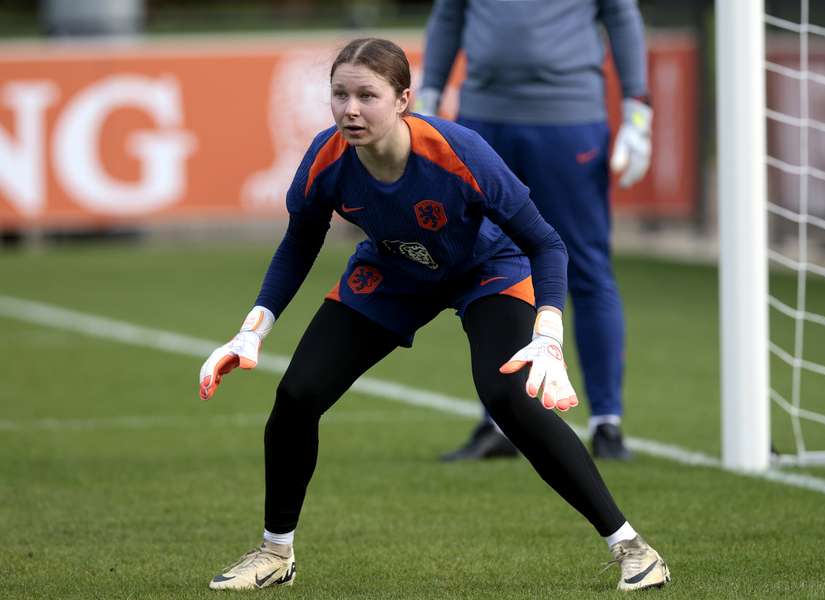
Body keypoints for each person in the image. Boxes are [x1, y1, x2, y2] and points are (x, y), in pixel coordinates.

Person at [198, 38, 669, 593]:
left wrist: (548, 332)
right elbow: (299, 242)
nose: (350, 109)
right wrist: (253, 329)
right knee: (297, 395)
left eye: (367, 95)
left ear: (403, 100)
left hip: (487, 268)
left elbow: (546, 244)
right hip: (394, 270)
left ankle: (633, 548)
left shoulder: (458, 152)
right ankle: (275, 554)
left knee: (506, 399)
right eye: (340, 94)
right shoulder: (326, 158)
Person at [418, 0, 653, 461]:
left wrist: (638, 112)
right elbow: (448, 15)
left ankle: (607, 422)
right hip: (482, 119)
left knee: (585, 265)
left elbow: (621, 15)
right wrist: (428, 98)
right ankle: (500, 419)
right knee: (485, 269)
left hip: (569, 121)